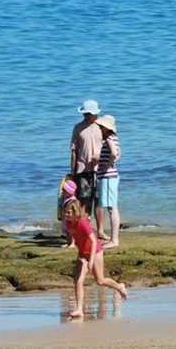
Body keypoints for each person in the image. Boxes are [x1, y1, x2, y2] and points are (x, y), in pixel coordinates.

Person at [63, 195, 128, 319]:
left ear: (75, 212)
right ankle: (79, 310)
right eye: (65, 212)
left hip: (96, 251)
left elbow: (93, 241)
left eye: (68, 212)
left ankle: (119, 286)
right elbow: (77, 238)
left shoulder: (83, 223)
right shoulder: (68, 223)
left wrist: (91, 260)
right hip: (82, 253)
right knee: (78, 280)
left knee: (100, 280)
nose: (66, 215)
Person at [70, 99, 104, 215]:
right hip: (82, 169)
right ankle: (84, 225)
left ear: (95, 113)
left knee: (99, 200)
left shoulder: (102, 127)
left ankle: (99, 230)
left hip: (100, 169)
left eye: (88, 114)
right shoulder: (78, 128)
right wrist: (72, 172)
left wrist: (101, 157)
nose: (86, 116)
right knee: (84, 199)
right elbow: (74, 151)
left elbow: (111, 149)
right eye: (85, 113)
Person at [95, 115, 121, 247]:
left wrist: (107, 165)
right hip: (111, 176)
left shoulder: (109, 138)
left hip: (108, 176)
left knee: (112, 208)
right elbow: (119, 153)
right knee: (112, 207)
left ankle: (114, 240)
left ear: (106, 128)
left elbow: (114, 153)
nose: (99, 128)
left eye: (101, 127)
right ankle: (113, 238)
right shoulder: (115, 138)